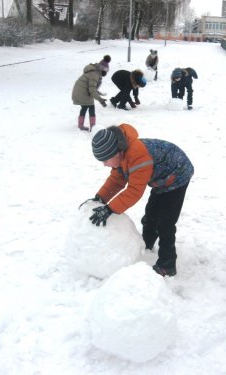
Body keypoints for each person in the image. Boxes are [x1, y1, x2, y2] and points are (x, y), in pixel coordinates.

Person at [83, 124, 194, 277]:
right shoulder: (122, 154)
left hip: (177, 176)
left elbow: (134, 191)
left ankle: (167, 265)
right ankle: (146, 244)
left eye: (105, 160)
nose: (104, 164)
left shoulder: (137, 155)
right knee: (150, 216)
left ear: (116, 153)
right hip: (159, 180)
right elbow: (117, 179)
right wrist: (100, 198)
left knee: (165, 223)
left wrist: (109, 209)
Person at [71, 55, 110, 131]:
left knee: (85, 107)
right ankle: (93, 127)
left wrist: (99, 94)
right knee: (91, 107)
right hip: (83, 93)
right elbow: (92, 89)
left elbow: (93, 88)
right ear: (102, 70)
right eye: (105, 71)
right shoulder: (94, 75)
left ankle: (81, 125)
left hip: (81, 91)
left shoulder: (95, 72)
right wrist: (100, 100)